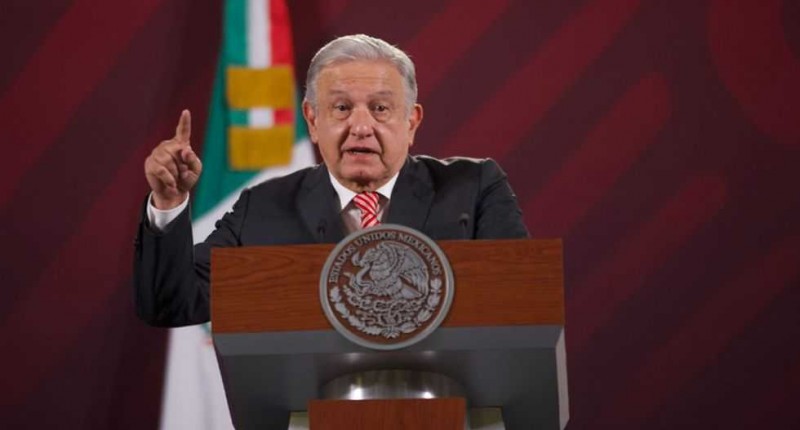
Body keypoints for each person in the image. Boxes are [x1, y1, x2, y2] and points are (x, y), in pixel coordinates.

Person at [134, 34, 528, 327]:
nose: (361, 126)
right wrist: (168, 204)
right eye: (341, 107)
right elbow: (170, 305)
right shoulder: (264, 208)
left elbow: (522, 304)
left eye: (380, 108)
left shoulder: (473, 189)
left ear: (411, 122)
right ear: (312, 119)